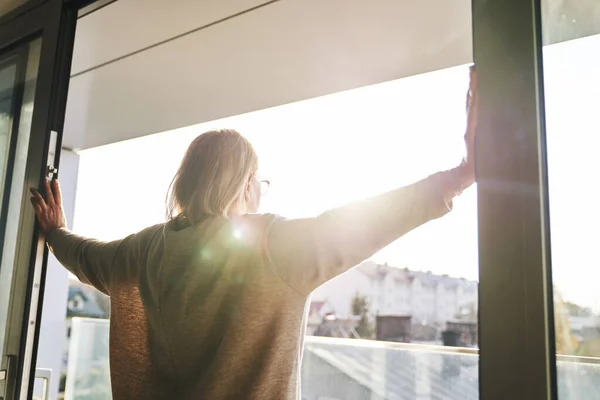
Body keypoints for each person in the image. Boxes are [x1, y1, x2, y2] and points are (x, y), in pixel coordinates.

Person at [30, 66, 478, 400]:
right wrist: (461, 175)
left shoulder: (144, 250)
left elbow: (87, 258)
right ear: (243, 186)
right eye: (257, 183)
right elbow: (363, 223)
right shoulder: (270, 248)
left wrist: (55, 233)